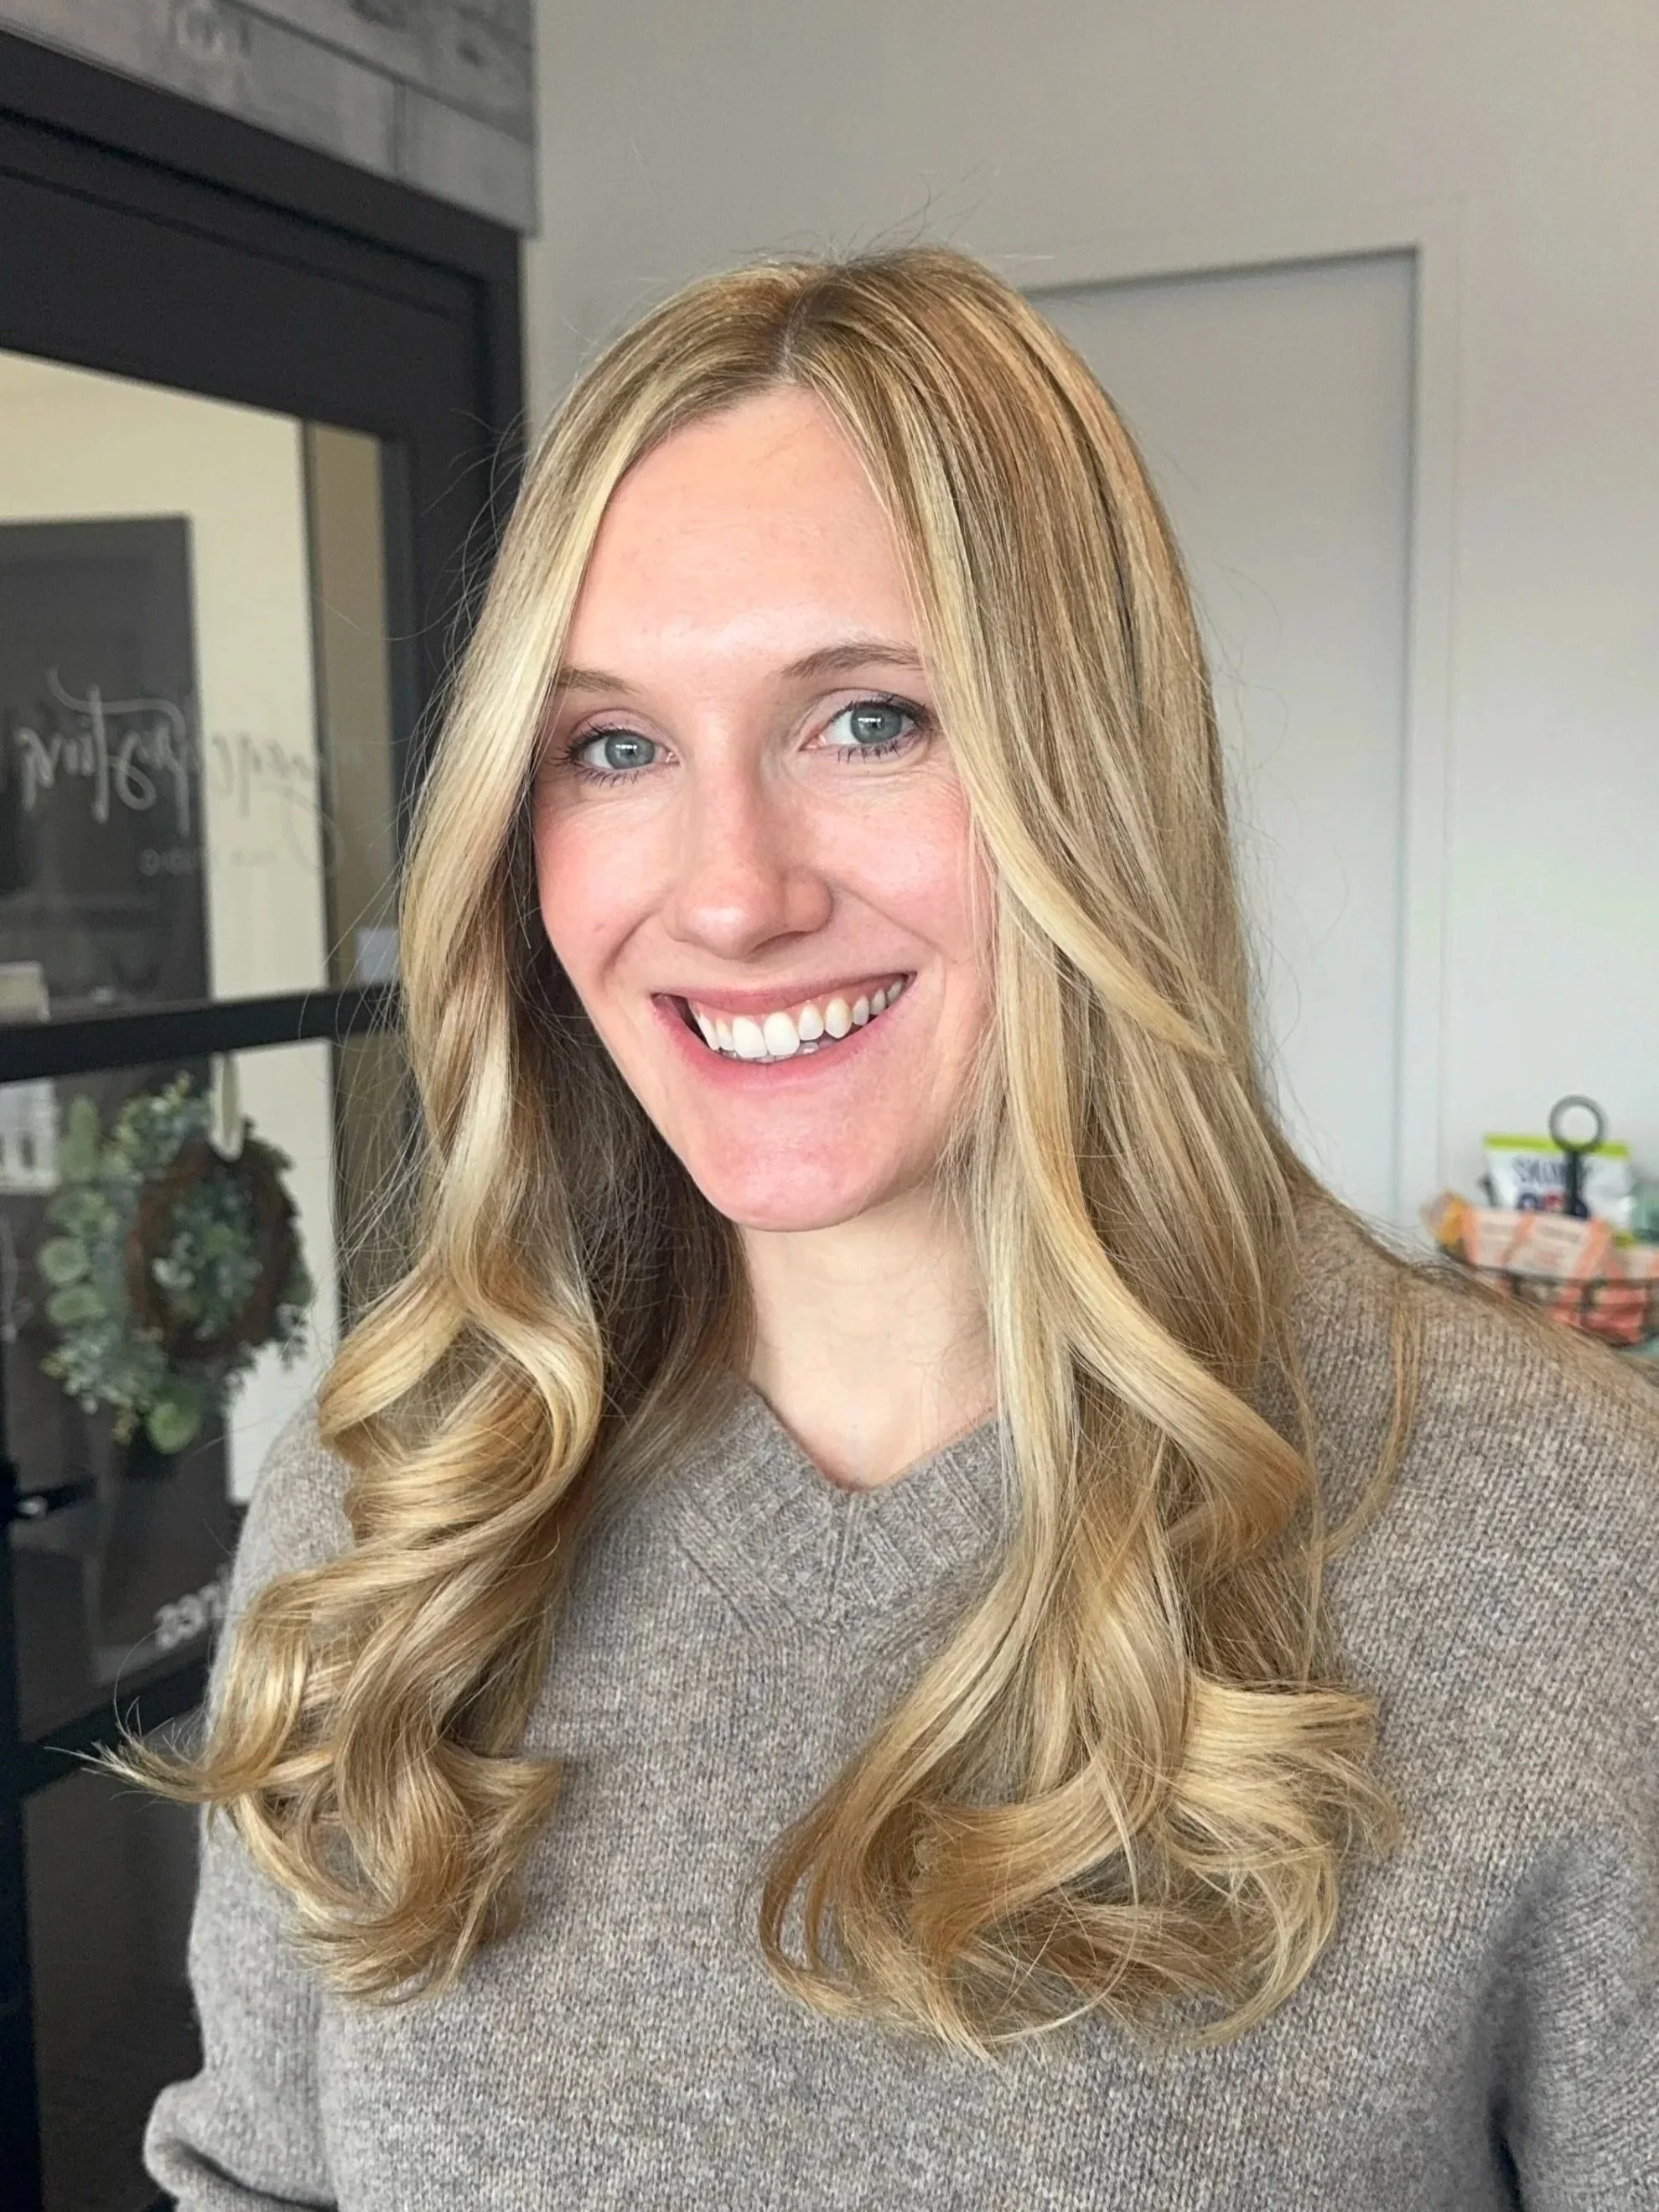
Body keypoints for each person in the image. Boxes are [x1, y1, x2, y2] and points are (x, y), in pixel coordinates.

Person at [139, 248, 1657, 2209]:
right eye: (612, 747)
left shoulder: (1547, 1540)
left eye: (862, 719)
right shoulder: (388, 1510)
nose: (731, 893)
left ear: (1086, 768)